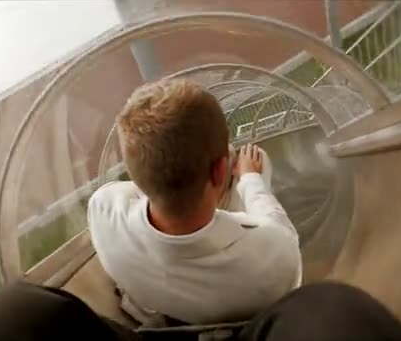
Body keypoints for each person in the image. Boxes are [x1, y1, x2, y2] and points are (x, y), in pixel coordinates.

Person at [88, 79, 301, 326]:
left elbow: (129, 191)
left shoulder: (101, 208)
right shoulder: (273, 261)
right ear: (221, 171)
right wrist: (252, 180)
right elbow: (279, 231)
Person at [0, 281, 401, 340]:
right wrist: (254, 185)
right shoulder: (270, 251)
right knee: (328, 308)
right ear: (220, 174)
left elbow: (110, 199)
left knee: (15, 309)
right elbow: (284, 279)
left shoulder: (109, 211)